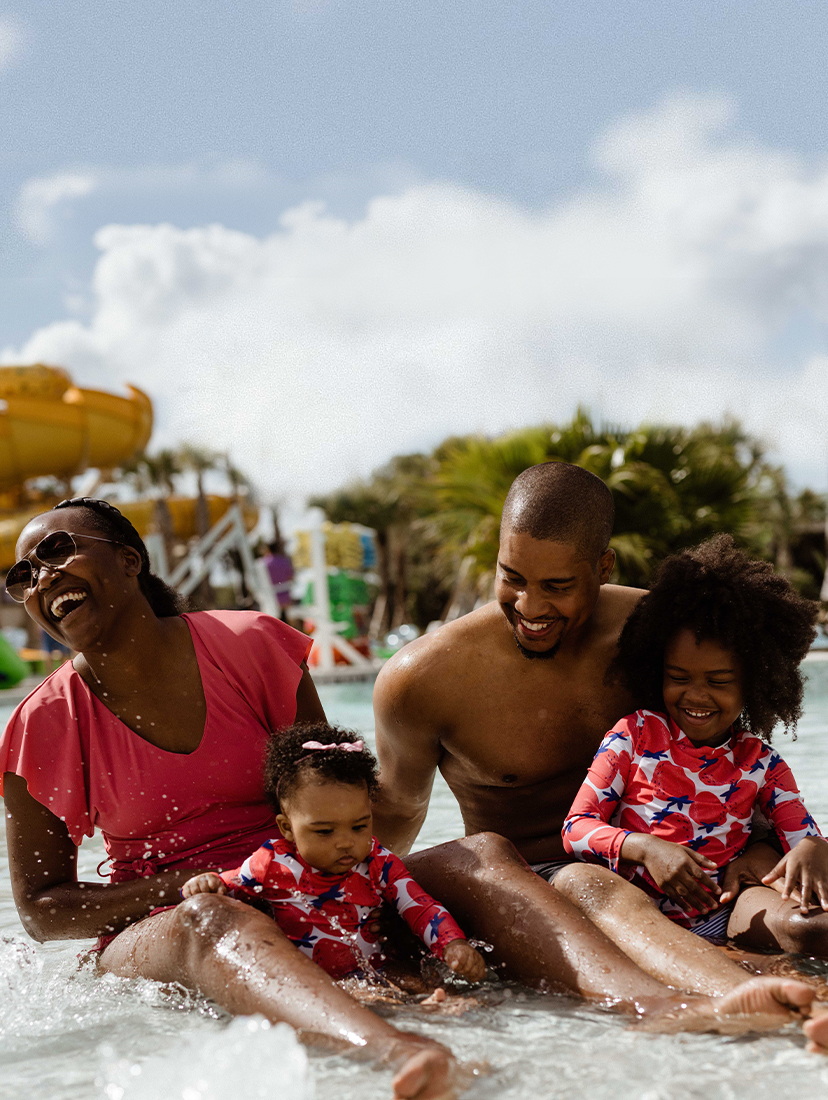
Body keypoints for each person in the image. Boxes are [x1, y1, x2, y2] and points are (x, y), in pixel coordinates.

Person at [0, 498, 461, 1100]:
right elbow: (42, 910)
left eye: (57, 550)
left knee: (477, 856)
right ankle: (403, 1054)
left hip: (298, 883)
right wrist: (196, 885)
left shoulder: (250, 646)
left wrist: (350, 898)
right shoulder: (44, 722)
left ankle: (599, 1006)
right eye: (22, 576)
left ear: (130, 560)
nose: (41, 578)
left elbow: (339, 800)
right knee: (212, 915)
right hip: (169, 928)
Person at [372, 462, 828, 1049]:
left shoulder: (659, 635)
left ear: (603, 568)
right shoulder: (424, 678)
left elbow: (727, 761)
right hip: (540, 884)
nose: (530, 605)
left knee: (808, 915)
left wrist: (766, 848)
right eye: (512, 577)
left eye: (558, 586)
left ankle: (777, 991)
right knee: (542, 870)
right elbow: (392, 820)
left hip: (686, 880)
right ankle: (747, 1001)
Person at [563, 535, 828, 948]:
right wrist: (645, 848)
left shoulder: (762, 764)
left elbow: (803, 836)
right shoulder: (633, 735)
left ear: (754, 684)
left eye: (718, 682)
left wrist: (812, 848)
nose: (696, 696)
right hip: (636, 917)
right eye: (679, 677)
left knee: (811, 928)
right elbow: (576, 828)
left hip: (725, 912)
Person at [182, 722, 485, 984]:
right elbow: (227, 890)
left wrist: (452, 944)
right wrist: (206, 883)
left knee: (421, 988)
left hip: (377, 972)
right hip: (311, 985)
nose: (345, 842)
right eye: (325, 832)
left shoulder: (379, 862)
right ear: (287, 828)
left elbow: (420, 907)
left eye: (359, 826)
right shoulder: (272, 863)